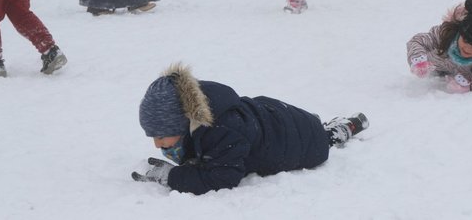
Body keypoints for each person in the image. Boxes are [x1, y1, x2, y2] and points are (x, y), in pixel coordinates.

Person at [135, 63, 368, 195]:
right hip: (275, 120)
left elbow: (223, 177)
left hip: (300, 143)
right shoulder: (203, 111)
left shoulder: (223, 129)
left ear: (182, 122)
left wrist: (174, 177)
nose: (157, 144)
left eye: (161, 136)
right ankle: (318, 124)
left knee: (320, 137)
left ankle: (341, 129)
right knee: (305, 126)